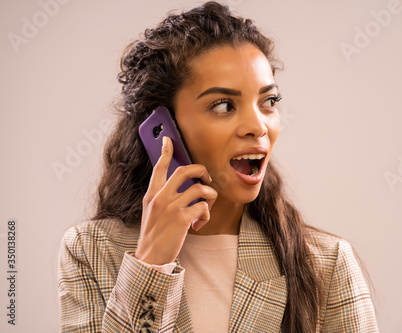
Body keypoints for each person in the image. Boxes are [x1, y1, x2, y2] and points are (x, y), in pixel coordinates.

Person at [57, 1, 379, 332]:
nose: (258, 126)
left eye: (268, 102)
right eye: (224, 105)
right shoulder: (91, 251)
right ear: (164, 126)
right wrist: (152, 264)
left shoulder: (325, 263)